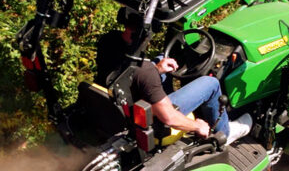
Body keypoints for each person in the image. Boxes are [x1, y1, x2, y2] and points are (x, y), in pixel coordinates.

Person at [96, 11, 251, 144]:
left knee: (162, 58)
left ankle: (165, 90)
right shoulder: (146, 72)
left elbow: (131, 74)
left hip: (125, 100)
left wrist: (157, 69)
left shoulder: (108, 40)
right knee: (211, 83)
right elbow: (169, 118)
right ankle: (225, 132)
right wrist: (198, 126)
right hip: (153, 119)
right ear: (144, 35)